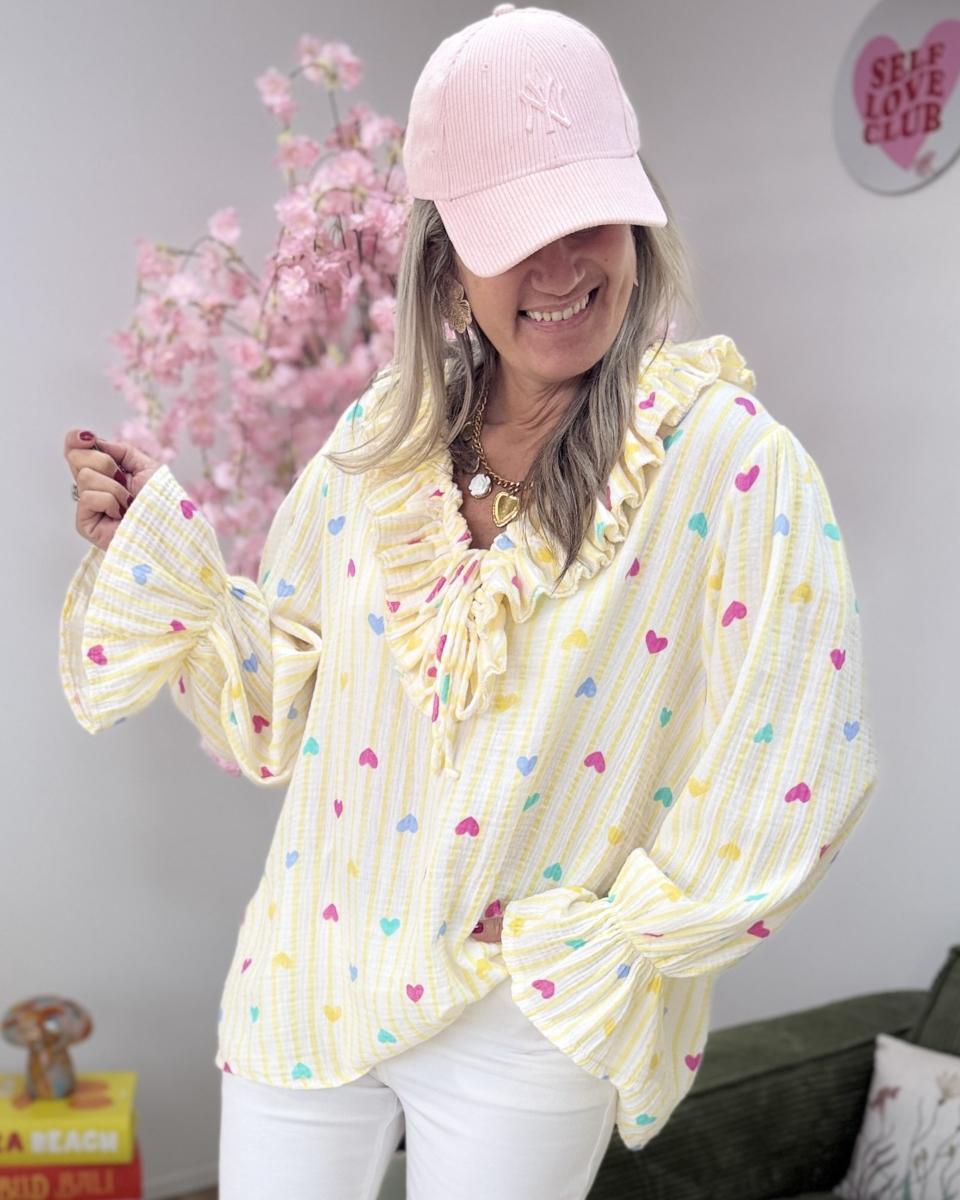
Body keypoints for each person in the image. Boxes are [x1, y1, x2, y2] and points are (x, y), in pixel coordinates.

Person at [59, 5, 879, 1199]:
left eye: (587, 216)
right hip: (308, 965)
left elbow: (799, 755)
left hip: (520, 1012)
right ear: (445, 262)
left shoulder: (729, 462)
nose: (560, 268)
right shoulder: (379, 443)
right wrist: (163, 555)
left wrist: (612, 939)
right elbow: (278, 711)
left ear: (638, 216)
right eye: (513, 235)